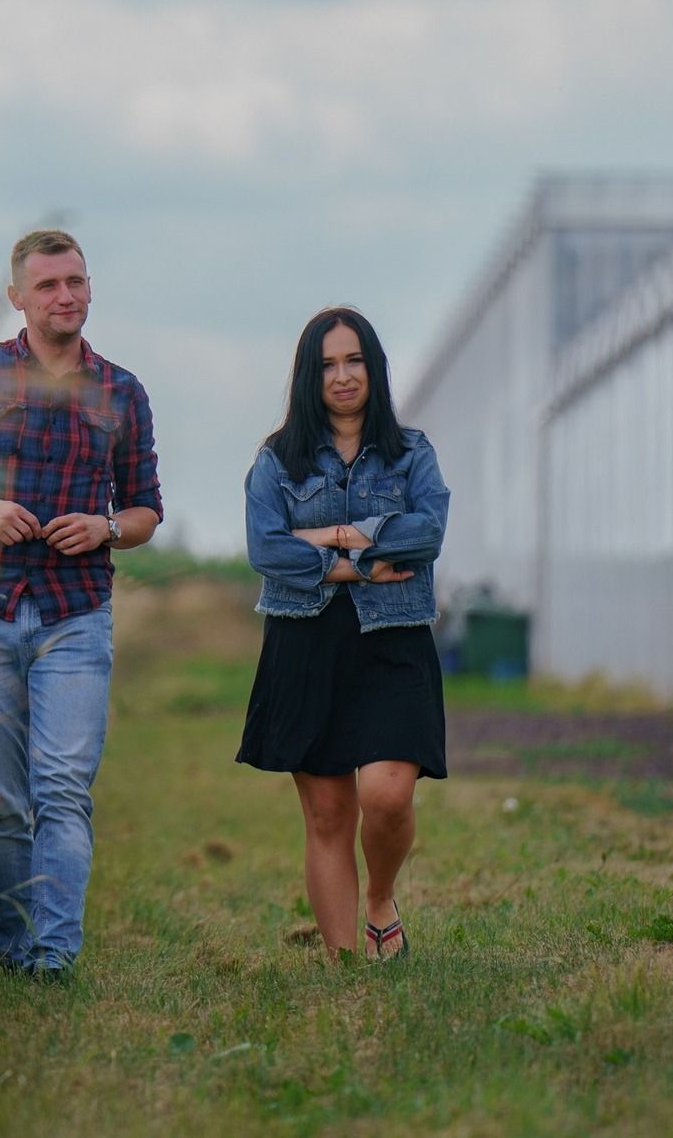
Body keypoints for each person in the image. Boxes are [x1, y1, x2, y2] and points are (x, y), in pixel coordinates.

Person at [0, 229, 162, 978]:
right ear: (17, 297)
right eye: (47, 285)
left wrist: (106, 526)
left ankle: (52, 958)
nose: (65, 296)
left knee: (61, 789)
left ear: (89, 287)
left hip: (76, 612)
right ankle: (13, 952)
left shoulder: (121, 391)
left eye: (75, 281)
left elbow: (146, 510)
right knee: (2, 800)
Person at [237, 306, 449, 961]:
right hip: (306, 643)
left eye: (353, 359)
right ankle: (342, 968)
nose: (342, 374)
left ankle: (380, 897)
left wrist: (326, 540)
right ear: (309, 375)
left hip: (394, 639)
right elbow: (266, 549)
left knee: (385, 796)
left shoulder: (411, 453)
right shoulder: (278, 460)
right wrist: (361, 560)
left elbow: (428, 532)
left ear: (373, 367)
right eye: (327, 363)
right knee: (329, 815)